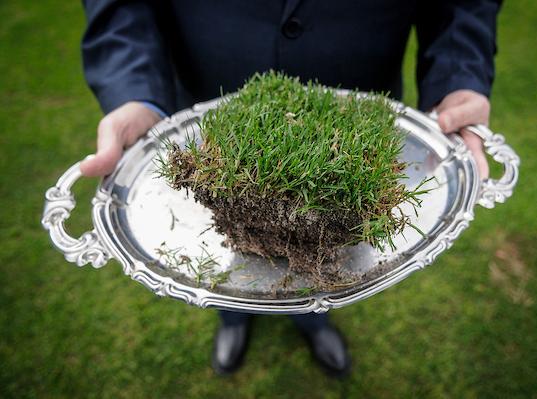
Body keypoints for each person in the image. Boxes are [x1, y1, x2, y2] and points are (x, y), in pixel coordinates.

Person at [80, 0, 501, 378]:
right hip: (211, 94)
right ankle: (232, 316)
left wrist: (457, 76)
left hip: (360, 106)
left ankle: (314, 320)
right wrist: (133, 91)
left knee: (332, 250)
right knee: (228, 239)